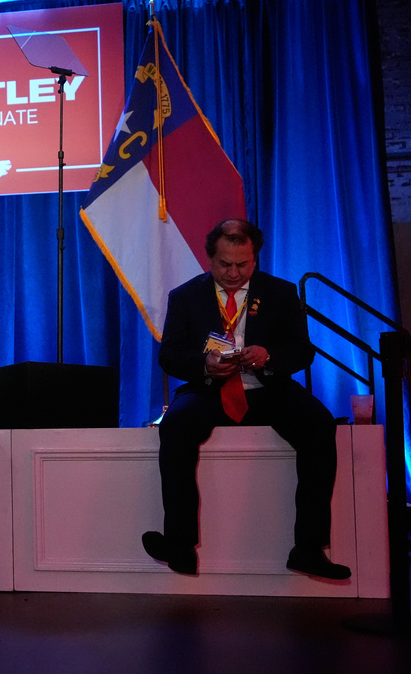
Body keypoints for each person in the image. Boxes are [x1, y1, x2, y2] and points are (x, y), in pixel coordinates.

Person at [142, 219, 351, 580]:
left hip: (267, 388)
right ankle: (179, 543)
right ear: (210, 259)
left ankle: (308, 547)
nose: (234, 273)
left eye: (243, 264)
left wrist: (268, 356)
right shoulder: (185, 296)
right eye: (225, 264)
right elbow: (170, 355)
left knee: (318, 423)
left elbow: (302, 351)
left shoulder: (281, 293)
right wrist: (204, 364)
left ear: (255, 258)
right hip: (208, 389)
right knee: (175, 425)